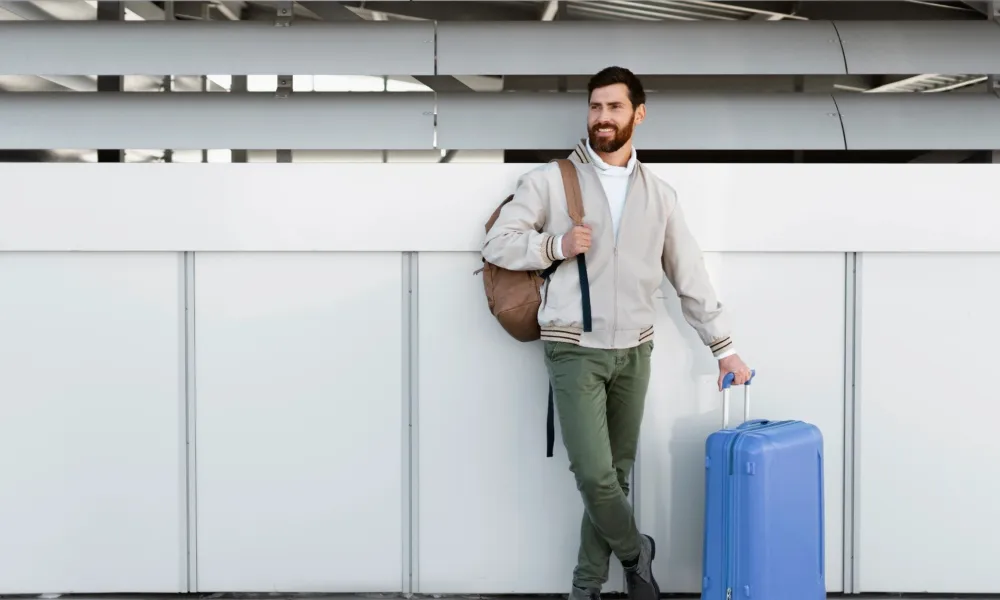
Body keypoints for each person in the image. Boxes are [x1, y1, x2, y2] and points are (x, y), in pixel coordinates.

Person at [481, 65, 753, 600]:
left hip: (635, 351)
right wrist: (554, 246)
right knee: (594, 476)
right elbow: (498, 243)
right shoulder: (550, 181)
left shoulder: (661, 194)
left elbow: (689, 274)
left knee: (617, 475)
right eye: (595, 107)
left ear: (638, 114)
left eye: (614, 107)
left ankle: (585, 588)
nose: (602, 118)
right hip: (573, 348)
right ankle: (637, 553)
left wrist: (725, 349)